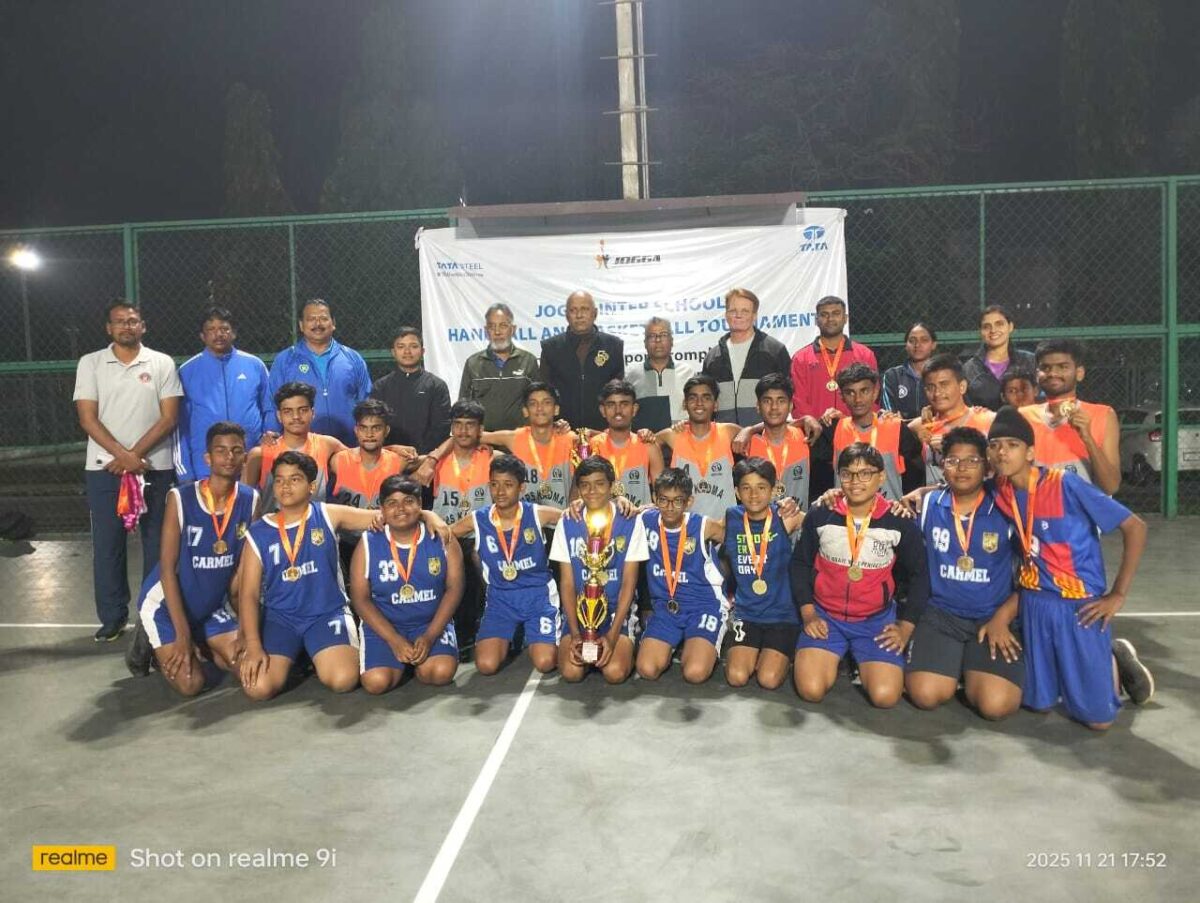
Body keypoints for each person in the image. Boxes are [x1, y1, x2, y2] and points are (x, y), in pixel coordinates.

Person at [986, 407, 1150, 727]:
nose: (1002, 451)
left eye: (1012, 444)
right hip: (1033, 603)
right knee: (1039, 704)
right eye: (995, 445)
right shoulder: (1000, 490)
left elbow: (1135, 527)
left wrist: (1118, 594)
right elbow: (955, 492)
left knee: (1098, 721)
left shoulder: (1065, 485)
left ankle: (1113, 659)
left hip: (1079, 605)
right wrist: (919, 494)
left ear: (1030, 452)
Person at [237, 451, 443, 701]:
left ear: (311, 486)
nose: (285, 486)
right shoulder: (259, 531)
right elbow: (248, 594)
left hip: (327, 613)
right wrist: (253, 645)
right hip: (281, 618)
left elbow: (391, 514)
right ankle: (298, 654)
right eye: (279, 480)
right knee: (258, 688)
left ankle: (311, 654)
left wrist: (428, 515)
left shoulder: (327, 514)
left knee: (343, 680)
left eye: (294, 479)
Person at [789, 442, 930, 708]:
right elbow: (799, 564)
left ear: (881, 477)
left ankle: (856, 658)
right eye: (847, 474)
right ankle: (839, 655)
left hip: (875, 622)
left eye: (865, 473)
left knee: (885, 697)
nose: (855, 482)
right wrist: (808, 614)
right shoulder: (822, 513)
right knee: (811, 690)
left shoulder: (898, 520)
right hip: (826, 617)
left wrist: (905, 627)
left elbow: (920, 576)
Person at [73, 299, 182, 642]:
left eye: (133, 321)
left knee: (157, 545)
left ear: (143, 326)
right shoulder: (91, 363)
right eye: (119, 321)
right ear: (109, 328)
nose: (126, 326)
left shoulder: (162, 362)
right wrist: (124, 456)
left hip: (155, 467)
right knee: (108, 545)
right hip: (105, 469)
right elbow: (87, 418)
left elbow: (169, 417)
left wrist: (135, 456)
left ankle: (152, 614)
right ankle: (112, 617)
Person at [127, 423, 258, 693]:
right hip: (166, 605)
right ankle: (150, 641)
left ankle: (202, 642)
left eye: (236, 451)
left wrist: (246, 630)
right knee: (191, 684)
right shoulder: (181, 498)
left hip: (210, 607)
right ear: (207, 458)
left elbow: (243, 573)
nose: (229, 457)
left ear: (245, 457)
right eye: (221, 451)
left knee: (245, 665)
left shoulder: (251, 499)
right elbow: (167, 569)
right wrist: (182, 636)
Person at [906, 427, 1024, 720]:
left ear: (987, 467)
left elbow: (1034, 573)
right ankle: (958, 665)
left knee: (995, 706)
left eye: (972, 460)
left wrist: (1003, 617)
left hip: (992, 617)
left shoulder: (1006, 507)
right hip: (941, 615)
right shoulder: (928, 504)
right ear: (941, 465)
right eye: (952, 461)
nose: (962, 468)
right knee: (925, 695)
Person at [448, 454, 565, 676]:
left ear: (522, 487)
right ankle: (516, 636)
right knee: (486, 665)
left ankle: (539, 634)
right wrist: (427, 516)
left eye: (508, 485)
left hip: (537, 595)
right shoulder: (478, 519)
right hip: (500, 599)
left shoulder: (537, 514)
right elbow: (443, 534)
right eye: (494, 484)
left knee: (545, 662)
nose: (500, 491)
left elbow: (577, 516)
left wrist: (618, 504)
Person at [350, 476, 464, 693]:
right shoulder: (368, 543)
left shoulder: (441, 537)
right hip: (386, 626)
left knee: (440, 673)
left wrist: (430, 636)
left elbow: (454, 588)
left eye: (408, 501)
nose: (401, 509)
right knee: (376, 683)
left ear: (420, 504)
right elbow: (360, 599)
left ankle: (416, 662)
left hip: (429, 623)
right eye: (392, 503)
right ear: (382, 509)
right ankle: (398, 661)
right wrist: (394, 639)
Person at [551, 457, 648, 684]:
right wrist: (575, 633)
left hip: (615, 613)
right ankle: (583, 642)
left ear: (612, 486)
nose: (592, 491)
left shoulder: (631, 521)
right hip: (580, 614)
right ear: (578, 489)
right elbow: (567, 583)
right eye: (585, 485)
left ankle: (625, 642)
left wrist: (612, 637)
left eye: (600, 484)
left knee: (614, 673)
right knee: (571, 673)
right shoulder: (567, 522)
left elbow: (629, 583)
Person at [635, 468, 730, 685]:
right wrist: (620, 500)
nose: (670, 507)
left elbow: (738, 534)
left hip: (703, 606)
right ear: (654, 498)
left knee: (695, 673)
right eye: (663, 500)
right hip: (666, 608)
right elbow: (613, 512)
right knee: (647, 669)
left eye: (677, 501)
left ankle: (699, 643)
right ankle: (675, 644)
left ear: (689, 502)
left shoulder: (704, 526)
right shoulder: (645, 520)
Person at [722, 458, 805, 690]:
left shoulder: (785, 516)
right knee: (736, 677)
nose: (754, 495)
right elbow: (698, 526)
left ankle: (783, 655)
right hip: (747, 613)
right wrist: (648, 510)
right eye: (746, 488)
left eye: (761, 487)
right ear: (737, 492)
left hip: (782, 616)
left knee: (768, 679)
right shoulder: (731, 517)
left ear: (774, 490)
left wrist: (830, 497)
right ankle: (760, 654)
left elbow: (824, 521)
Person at [790, 295, 878, 499]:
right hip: (816, 440)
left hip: (855, 436)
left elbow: (872, 399)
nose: (830, 319)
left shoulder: (864, 354)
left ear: (845, 318)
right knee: (822, 500)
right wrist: (814, 423)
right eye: (824, 315)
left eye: (836, 314)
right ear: (816, 320)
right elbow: (798, 401)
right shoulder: (801, 358)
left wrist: (848, 420)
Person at [173, 306, 271, 482]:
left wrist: (267, 447)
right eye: (211, 329)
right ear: (202, 336)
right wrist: (185, 471)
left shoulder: (255, 365)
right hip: (204, 468)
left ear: (234, 333)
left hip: (251, 465)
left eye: (224, 329)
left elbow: (270, 409)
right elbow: (180, 426)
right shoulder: (187, 371)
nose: (218, 334)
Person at [428, 400, 494, 656]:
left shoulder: (493, 459)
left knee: (478, 571)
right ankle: (453, 634)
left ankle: (479, 632)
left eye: (470, 425)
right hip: (446, 537)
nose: (464, 431)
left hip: (479, 535)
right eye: (458, 424)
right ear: (451, 428)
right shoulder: (434, 463)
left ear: (481, 429)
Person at [1019, 339, 1121, 493]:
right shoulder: (1023, 416)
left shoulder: (1103, 415)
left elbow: (1111, 487)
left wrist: (1088, 438)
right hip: (1035, 506)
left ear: (1079, 373)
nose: (1053, 373)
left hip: (1082, 508)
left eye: (1063, 367)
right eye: (1045, 368)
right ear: (1037, 374)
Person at [267, 299, 372, 447]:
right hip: (302, 449)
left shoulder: (353, 358)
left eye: (323, 318)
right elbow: (272, 403)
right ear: (301, 325)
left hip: (348, 446)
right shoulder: (285, 360)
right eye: (311, 319)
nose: (318, 324)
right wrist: (273, 434)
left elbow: (366, 402)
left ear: (333, 323)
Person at [648, 375, 742, 520]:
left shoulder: (728, 431)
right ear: (684, 404)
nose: (699, 403)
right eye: (693, 398)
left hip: (724, 526)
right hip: (686, 526)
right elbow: (644, 443)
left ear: (715, 405)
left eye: (706, 398)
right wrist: (644, 433)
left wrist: (749, 430)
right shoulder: (673, 435)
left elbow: (763, 434)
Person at [329, 399, 407, 571]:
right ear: (356, 430)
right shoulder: (337, 460)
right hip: (346, 543)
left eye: (376, 428)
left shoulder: (399, 462)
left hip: (384, 541)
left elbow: (433, 458)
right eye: (364, 428)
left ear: (386, 430)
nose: (369, 434)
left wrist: (432, 459)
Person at [244, 383, 345, 515]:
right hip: (273, 527)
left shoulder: (328, 445)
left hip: (316, 526)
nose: (296, 416)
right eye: (288, 411)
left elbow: (362, 461)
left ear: (313, 413)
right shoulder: (260, 454)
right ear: (279, 416)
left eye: (302, 410)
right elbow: (242, 503)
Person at [827, 364, 921, 501]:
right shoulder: (833, 429)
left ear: (875, 392)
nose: (858, 399)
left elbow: (916, 474)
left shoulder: (896, 427)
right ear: (842, 396)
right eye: (850, 393)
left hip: (888, 511)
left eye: (864, 391)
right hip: (846, 512)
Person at [701, 288, 791, 425]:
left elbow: (789, 395)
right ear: (726, 314)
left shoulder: (775, 350)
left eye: (745, 311)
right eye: (733, 311)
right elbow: (706, 399)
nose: (738, 315)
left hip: (763, 434)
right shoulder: (713, 356)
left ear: (754, 316)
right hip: (724, 434)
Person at [539, 290, 625, 431]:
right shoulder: (551, 348)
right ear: (566, 315)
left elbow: (618, 393)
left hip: (603, 431)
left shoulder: (613, 346)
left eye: (584, 309)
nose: (579, 315)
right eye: (573, 310)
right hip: (562, 431)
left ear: (595, 313)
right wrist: (554, 422)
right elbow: (545, 392)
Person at [906, 354, 995, 485]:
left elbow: (1004, 464)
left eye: (944, 385)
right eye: (931, 387)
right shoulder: (921, 426)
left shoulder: (988, 421)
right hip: (936, 497)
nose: (937, 393)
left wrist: (952, 449)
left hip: (980, 496)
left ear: (962, 386)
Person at [369, 327, 451, 455]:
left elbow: (441, 429)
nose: (407, 351)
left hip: (426, 459)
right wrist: (392, 451)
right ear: (393, 352)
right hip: (389, 457)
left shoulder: (437, 386)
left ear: (422, 351)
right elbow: (375, 427)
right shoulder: (380, 387)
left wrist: (424, 458)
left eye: (413, 346)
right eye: (401, 347)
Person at [458, 302, 540, 431]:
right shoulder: (473, 363)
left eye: (503, 326)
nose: (497, 332)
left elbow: (538, 402)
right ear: (486, 331)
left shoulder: (528, 361)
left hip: (520, 438)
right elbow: (463, 408)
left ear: (513, 329)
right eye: (492, 327)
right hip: (484, 439)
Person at [584, 379, 664, 507]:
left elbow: (663, 494)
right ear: (603, 410)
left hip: (639, 517)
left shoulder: (648, 446)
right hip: (601, 517)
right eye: (611, 405)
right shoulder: (591, 446)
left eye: (624, 404)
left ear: (634, 409)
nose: (618, 411)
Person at [745, 374, 811, 511]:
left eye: (781, 401)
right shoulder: (747, 444)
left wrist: (808, 418)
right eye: (767, 401)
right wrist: (748, 430)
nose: (774, 407)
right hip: (761, 524)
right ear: (758, 406)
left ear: (791, 405)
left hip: (798, 522)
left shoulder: (807, 437)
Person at [626, 317, 696, 432]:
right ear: (645, 343)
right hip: (644, 441)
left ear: (672, 341)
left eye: (663, 335)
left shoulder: (687, 372)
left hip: (680, 439)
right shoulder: (631, 375)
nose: (658, 340)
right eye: (652, 336)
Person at [962, 305, 1036, 411]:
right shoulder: (969, 369)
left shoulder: (1030, 361)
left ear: (1010, 327)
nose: (993, 330)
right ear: (980, 332)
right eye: (986, 326)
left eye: (999, 324)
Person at [882, 322, 938, 419]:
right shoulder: (892, 376)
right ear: (906, 345)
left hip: (936, 427)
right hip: (901, 428)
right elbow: (889, 415)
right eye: (912, 341)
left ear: (933, 344)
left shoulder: (942, 375)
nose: (917, 345)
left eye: (924, 340)